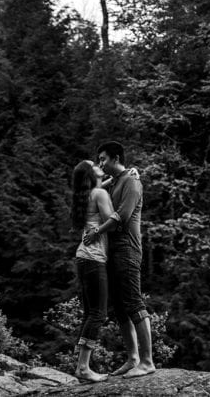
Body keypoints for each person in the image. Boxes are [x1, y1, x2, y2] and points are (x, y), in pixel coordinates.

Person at [84, 141, 156, 378]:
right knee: (120, 307)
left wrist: (97, 232)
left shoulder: (132, 181)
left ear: (115, 157)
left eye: (103, 158)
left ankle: (147, 361)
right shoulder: (116, 181)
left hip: (128, 249)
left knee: (134, 302)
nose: (100, 163)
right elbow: (93, 190)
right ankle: (133, 358)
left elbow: (122, 217)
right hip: (112, 251)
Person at [70, 160, 118, 382]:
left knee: (90, 314)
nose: (98, 163)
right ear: (91, 174)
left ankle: (81, 366)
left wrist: (112, 181)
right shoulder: (98, 193)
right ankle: (83, 368)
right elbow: (114, 222)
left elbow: (99, 189)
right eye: (94, 164)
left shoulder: (88, 193)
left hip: (83, 258)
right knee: (98, 314)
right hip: (94, 259)